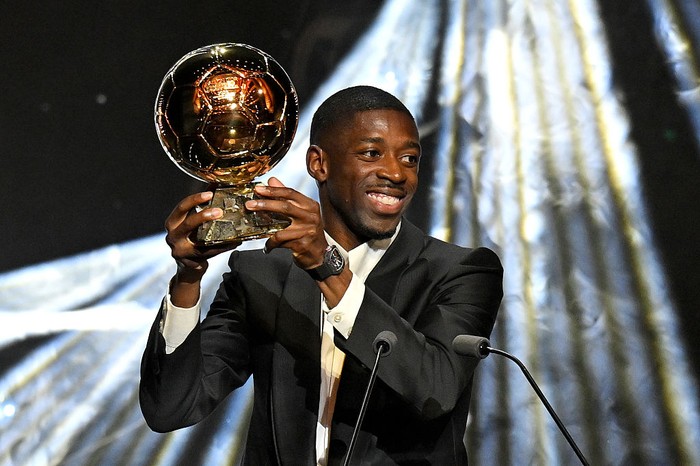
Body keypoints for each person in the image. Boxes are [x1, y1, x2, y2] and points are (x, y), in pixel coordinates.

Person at [139, 85, 503, 465]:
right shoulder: (261, 275)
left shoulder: (461, 271)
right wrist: (188, 278)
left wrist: (326, 265)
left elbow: (435, 390)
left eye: (410, 158)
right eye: (371, 153)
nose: (396, 172)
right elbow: (170, 409)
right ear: (319, 164)